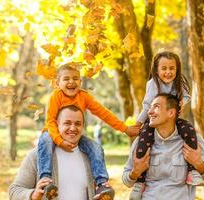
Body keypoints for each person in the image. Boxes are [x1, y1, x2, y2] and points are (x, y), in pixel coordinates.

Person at [38, 63, 139, 199]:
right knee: (44, 140)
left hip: (75, 136)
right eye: (66, 79)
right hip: (52, 133)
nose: (71, 82)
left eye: (75, 78)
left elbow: (103, 113)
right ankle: (45, 181)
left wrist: (125, 128)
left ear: (80, 82)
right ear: (57, 83)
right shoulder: (56, 96)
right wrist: (60, 141)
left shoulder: (84, 96)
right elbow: (50, 121)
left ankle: (101, 183)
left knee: (95, 146)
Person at [130, 51, 201, 200]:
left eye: (172, 68)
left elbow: (187, 95)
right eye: (164, 68)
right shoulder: (153, 84)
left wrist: (183, 102)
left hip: (174, 120)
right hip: (153, 120)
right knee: (144, 140)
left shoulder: (179, 83)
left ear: (177, 69)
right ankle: (140, 181)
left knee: (189, 130)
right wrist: (138, 123)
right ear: (156, 70)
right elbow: (147, 106)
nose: (168, 72)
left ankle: (192, 171)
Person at [123, 94, 204, 200]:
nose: (149, 112)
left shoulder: (192, 140)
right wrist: (135, 171)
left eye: (156, 107)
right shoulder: (142, 141)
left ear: (171, 113)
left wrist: (198, 164)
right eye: (150, 107)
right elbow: (126, 181)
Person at [9, 105, 96, 200]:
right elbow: (14, 192)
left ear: (83, 126)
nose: (73, 128)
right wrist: (33, 195)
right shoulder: (37, 156)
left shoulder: (91, 157)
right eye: (67, 123)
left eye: (78, 124)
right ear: (57, 125)